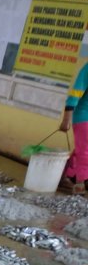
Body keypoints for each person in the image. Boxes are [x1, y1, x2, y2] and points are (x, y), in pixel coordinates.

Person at [60, 59, 88, 195]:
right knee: (85, 153)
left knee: (80, 150)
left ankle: (66, 177)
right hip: (84, 116)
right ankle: (80, 185)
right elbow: (76, 93)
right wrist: (66, 119)